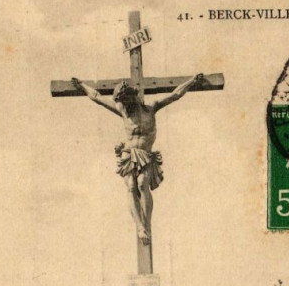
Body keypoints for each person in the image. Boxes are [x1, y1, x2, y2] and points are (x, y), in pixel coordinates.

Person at [71, 73, 204, 244]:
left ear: (134, 97)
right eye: (123, 103)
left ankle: (146, 225)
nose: (125, 106)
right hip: (128, 154)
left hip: (145, 154)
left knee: (142, 184)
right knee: (132, 187)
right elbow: (97, 97)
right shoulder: (123, 112)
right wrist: (82, 85)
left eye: (127, 102)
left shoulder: (151, 108)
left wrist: (192, 82)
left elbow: (175, 95)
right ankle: (140, 227)